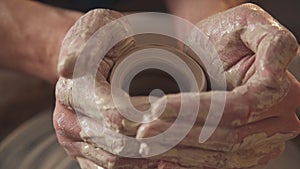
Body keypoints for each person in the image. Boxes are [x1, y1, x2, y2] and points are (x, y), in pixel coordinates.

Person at [1, 0, 299, 169]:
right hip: (32, 53)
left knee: (275, 80)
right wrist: (67, 48)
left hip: (180, 43)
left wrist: (208, 29)